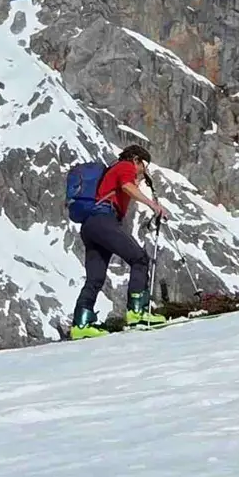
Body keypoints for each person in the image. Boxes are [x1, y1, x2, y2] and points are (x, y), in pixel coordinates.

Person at [69, 144, 174, 339]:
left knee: (95, 278)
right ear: (137, 160)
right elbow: (127, 186)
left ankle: (81, 324)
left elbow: (124, 186)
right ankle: (137, 312)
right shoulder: (126, 166)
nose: (144, 171)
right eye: (144, 166)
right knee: (139, 258)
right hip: (104, 220)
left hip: (90, 226)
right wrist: (153, 205)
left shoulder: (114, 169)